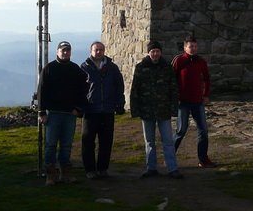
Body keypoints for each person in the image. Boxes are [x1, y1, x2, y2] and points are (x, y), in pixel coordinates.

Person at [36, 40, 88, 186]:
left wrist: (79, 108)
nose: (65, 52)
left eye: (67, 50)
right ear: (57, 52)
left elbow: (83, 89)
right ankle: (50, 175)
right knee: (50, 145)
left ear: (70, 52)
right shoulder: (49, 68)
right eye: (62, 50)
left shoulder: (75, 69)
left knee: (66, 145)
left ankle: (65, 174)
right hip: (52, 113)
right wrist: (41, 112)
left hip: (70, 114)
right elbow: (41, 91)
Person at [129, 40, 183, 179]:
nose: (155, 54)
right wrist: (135, 109)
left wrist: (174, 108)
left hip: (164, 110)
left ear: (161, 52)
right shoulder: (140, 67)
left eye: (157, 51)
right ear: (148, 52)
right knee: (149, 142)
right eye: (153, 51)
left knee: (168, 141)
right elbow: (135, 89)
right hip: (146, 111)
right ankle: (151, 168)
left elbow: (173, 88)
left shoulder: (167, 67)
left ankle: (172, 168)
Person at [80, 41, 126, 180]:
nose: (99, 52)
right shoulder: (84, 67)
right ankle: (90, 169)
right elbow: (79, 89)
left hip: (107, 110)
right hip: (90, 110)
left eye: (101, 49)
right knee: (88, 141)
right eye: (96, 50)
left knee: (106, 141)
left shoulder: (112, 67)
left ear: (104, 51)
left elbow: (119, 86)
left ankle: (102, 169)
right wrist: (80, 106)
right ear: (91, 51)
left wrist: (120, 103)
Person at [172, 34, 216, 168]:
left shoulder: (201, 61)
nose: (193, 49)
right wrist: (174, 97)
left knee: (203, 130)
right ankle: (169, 157)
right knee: (181, 130)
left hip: (197, 101)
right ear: (185, 48)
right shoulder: (179, 60)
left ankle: (203, 159)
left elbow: (207, 78)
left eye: (195, 46)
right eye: (191, 46)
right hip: (183, 102)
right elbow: (171, 79)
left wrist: (206, 94)